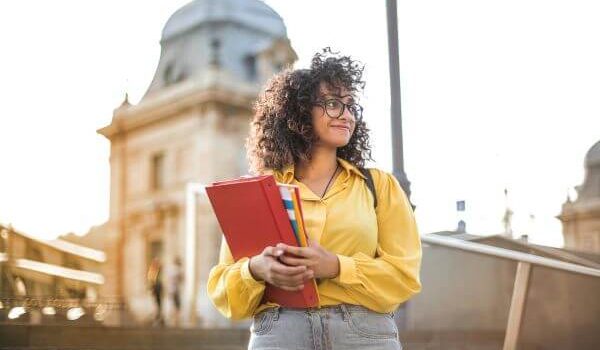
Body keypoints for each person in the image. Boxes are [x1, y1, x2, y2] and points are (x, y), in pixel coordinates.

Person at [207, 48, 422, 349]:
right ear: (299, 111)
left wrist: (335, 266)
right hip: (280, 333)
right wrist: (256, 269)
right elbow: (224, 291)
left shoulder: (379, 186)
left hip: (364, 334)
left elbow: (404, 276)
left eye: (350, 106)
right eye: (333, 104)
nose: (346, 115)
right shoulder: (259, 192)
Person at [147, 257, 164, 326]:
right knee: (157, 301)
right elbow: (151, 280)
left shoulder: (156, 270)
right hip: (156, 287)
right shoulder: (153, 270)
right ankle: (157, 314)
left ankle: (158, 314)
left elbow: (151, 279)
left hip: (157, 287)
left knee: (158, 302)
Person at [168, 256, 184, 326]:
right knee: (177, 305)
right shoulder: (178, 270)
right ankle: (175, 319)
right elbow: (182, 279)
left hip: (171, 289)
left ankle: (173, 319)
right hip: (176, 290)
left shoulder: (171, 269)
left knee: (173, 304)